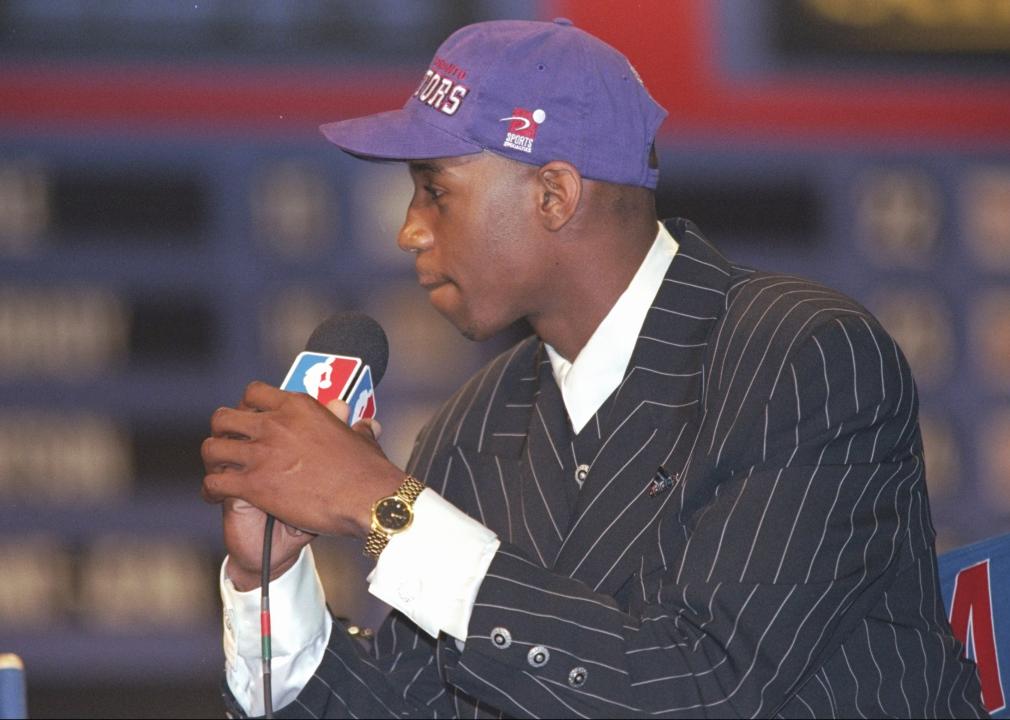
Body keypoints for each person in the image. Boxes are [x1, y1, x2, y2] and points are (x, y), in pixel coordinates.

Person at [201, 18, 987, 719]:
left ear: (553, 194)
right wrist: (264, 580)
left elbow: (704, 689)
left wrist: (386, 505)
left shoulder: (803, 357)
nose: (410, 230)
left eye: (435, 191)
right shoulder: (473, 428)